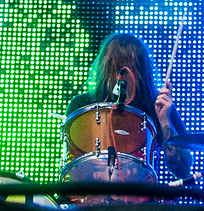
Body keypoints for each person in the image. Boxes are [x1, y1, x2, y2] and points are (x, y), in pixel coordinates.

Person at [65, 31, 193, 181]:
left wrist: (164, 120)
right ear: (105, 69)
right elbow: (71, 167)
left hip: (140, 198)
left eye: (132, 68)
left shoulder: (158, 105)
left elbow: (183, 170)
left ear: (143, 71)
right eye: (117, 68)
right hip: (91, 195)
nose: (124, 76)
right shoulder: (83, 105)